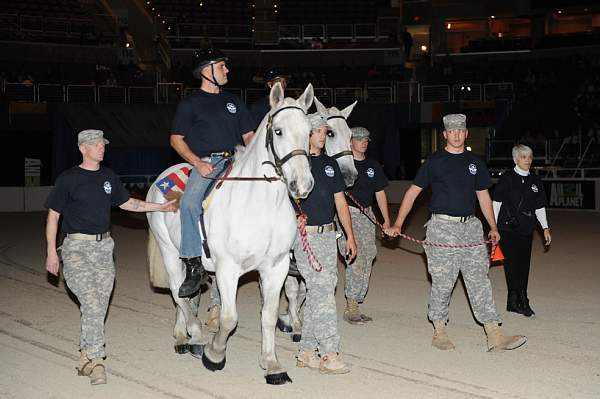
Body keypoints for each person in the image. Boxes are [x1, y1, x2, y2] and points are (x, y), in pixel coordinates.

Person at [45, 129, 176, 385]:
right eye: (95, 144)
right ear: (83, 148)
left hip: (105, 248)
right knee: (92, 302)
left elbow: (128, 203)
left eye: (103, 144)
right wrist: (52, 251)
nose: (101, 147)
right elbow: (53, 216)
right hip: (76, 249)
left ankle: (84, 356)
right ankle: (96, 361)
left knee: (98, 305)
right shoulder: (68, 179)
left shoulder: (108, 176)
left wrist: (161, 207)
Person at [386, 114, 527, 352]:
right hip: (442, 228)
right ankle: (439, 329)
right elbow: (412, 193)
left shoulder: (475, 162)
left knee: (479, 279)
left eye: (460, 131)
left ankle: (493, 332)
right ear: (445, 135)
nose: (456, 135)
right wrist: (398, 223)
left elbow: (483, 196)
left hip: (471, 228)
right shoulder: (435, 161)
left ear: (466, 133)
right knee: (443, 281)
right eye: (452, 131)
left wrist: (492, 226)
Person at [170, 47, 255, 298]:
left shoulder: (233, 101)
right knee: (188, 204)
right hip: (207, 162)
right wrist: (197, 162)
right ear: (206, 71)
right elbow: (176, 139)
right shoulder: (190, 104)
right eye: (221, 66)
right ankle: (193, 264)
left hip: (237, 160)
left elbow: (249, 136)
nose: (227, 70)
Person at [294, 113, 357, 374]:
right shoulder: (295, 163)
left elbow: (340, 201)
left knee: (320, 292)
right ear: (307, 132)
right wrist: (294, 215)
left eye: (324, 131)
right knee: (324, 295)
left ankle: (306, 352)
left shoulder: (330, 164)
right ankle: (329, 353)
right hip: (306, 236)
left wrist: (350, 235)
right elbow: (281, 197)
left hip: (329, 236)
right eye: (319, 131)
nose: (324, 135)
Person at [338, 126, 391, 325]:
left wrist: (386, 220)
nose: (363, 142)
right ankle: (351, 304)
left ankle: (357, 300)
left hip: (367, 214)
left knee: (369, 255)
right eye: (359, 139)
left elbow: (380, 193)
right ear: (350, 141)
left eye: (366, 139)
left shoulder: (372, 165)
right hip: (348, 214)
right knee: (356, 256)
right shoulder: (342, 165)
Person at [493, 144, 551, 317]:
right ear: (515, 159)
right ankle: (514, 299)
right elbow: (496, 204)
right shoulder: (507, 178)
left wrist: (545, 228)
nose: (528, 160)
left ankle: (523, 298)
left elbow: (539, 207)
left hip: (526, 228)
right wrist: (493, 227)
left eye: (530, 157)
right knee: (512, 264)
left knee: (524, 264)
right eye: (524, 157)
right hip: (507, 228)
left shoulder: (535, 181)